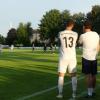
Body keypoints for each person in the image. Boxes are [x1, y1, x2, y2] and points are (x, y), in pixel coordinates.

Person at [57, 19, 78, 99]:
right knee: (73, 75)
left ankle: (60, 94)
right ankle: (74, 93)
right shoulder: (75, 34)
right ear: (72, 25)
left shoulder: (60, 33)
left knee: (61, 75)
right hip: (72, 57)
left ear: (66, 24)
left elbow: (59, 43)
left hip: (63, 57)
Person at [79, 21, 100, 98]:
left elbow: (79, 42)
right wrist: (96, 54)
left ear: (84, 27)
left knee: (88, 76)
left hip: (86, 57)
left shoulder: (83, 35)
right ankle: (93, 91)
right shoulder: (96, 34)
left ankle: (89, 93)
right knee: (93, 75)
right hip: (94, 57)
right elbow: (98, 46)